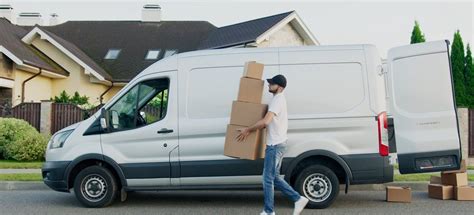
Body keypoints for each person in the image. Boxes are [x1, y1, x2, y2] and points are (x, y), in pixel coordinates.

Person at [236, 74, 308, 215]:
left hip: (275, 146)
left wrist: (247, 130)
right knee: (273, 177)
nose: (269, 85)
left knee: (267, 178)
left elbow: (265, 122)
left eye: (272, 84)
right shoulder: (277, 99)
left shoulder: (278, 100)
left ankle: (269, 211)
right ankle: (298, 198)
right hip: (278, 143)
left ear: (279, 87)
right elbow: (267, 122)